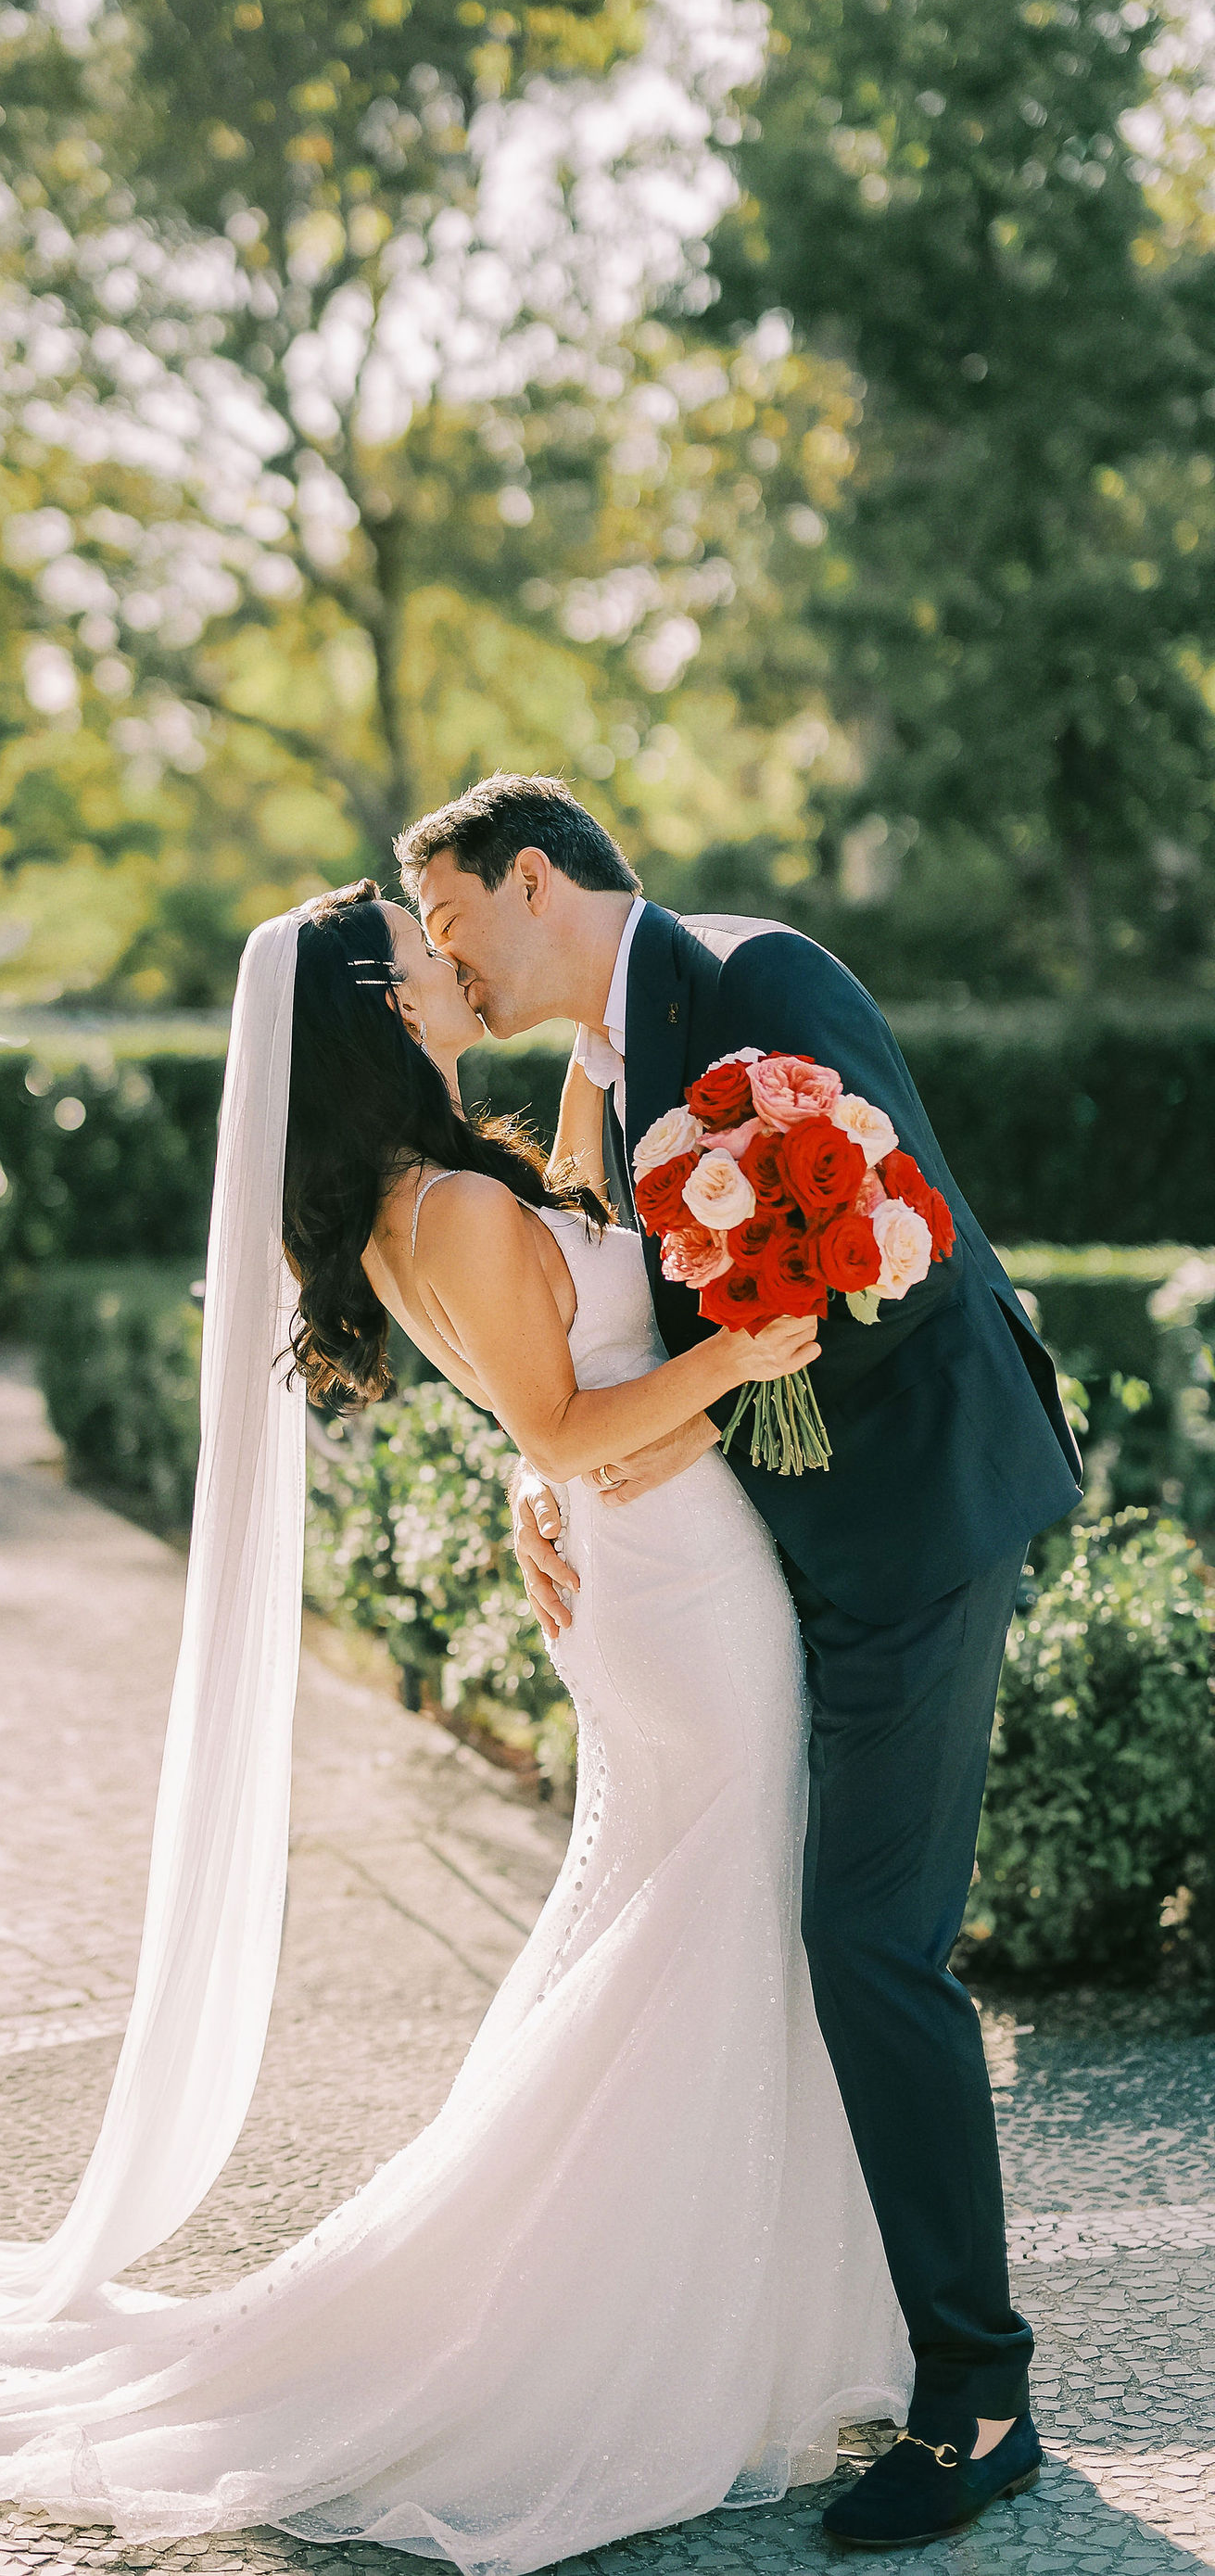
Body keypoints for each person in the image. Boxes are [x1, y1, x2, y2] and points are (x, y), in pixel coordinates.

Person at [0, 873, 918, 2571]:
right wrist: (749, 1348)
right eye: (421, 958)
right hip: (682, 1590)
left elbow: (550, 1386)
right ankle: (633, 2327)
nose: (450, 963)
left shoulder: (428, 1194)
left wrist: (592, 1366)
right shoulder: (447, 1208)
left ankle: (717, 2306)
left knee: (682, 1937)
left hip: (650, 1576)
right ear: (381, 1018)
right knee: (710, 1934)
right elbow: (563, 1419)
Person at [398, 774, 1082, 2553]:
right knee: (813, 1932)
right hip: (780, 1555)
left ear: (531, 876)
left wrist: (675, 1411)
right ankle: (833, 2338)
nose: (450, 964)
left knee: (868, 1937)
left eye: (455, 923)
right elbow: (598, 1312)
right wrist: (552, 1463)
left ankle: (980, 2396)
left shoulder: (761, 983)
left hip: (917, 1516)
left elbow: (899, 1249)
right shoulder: (595, 1071)